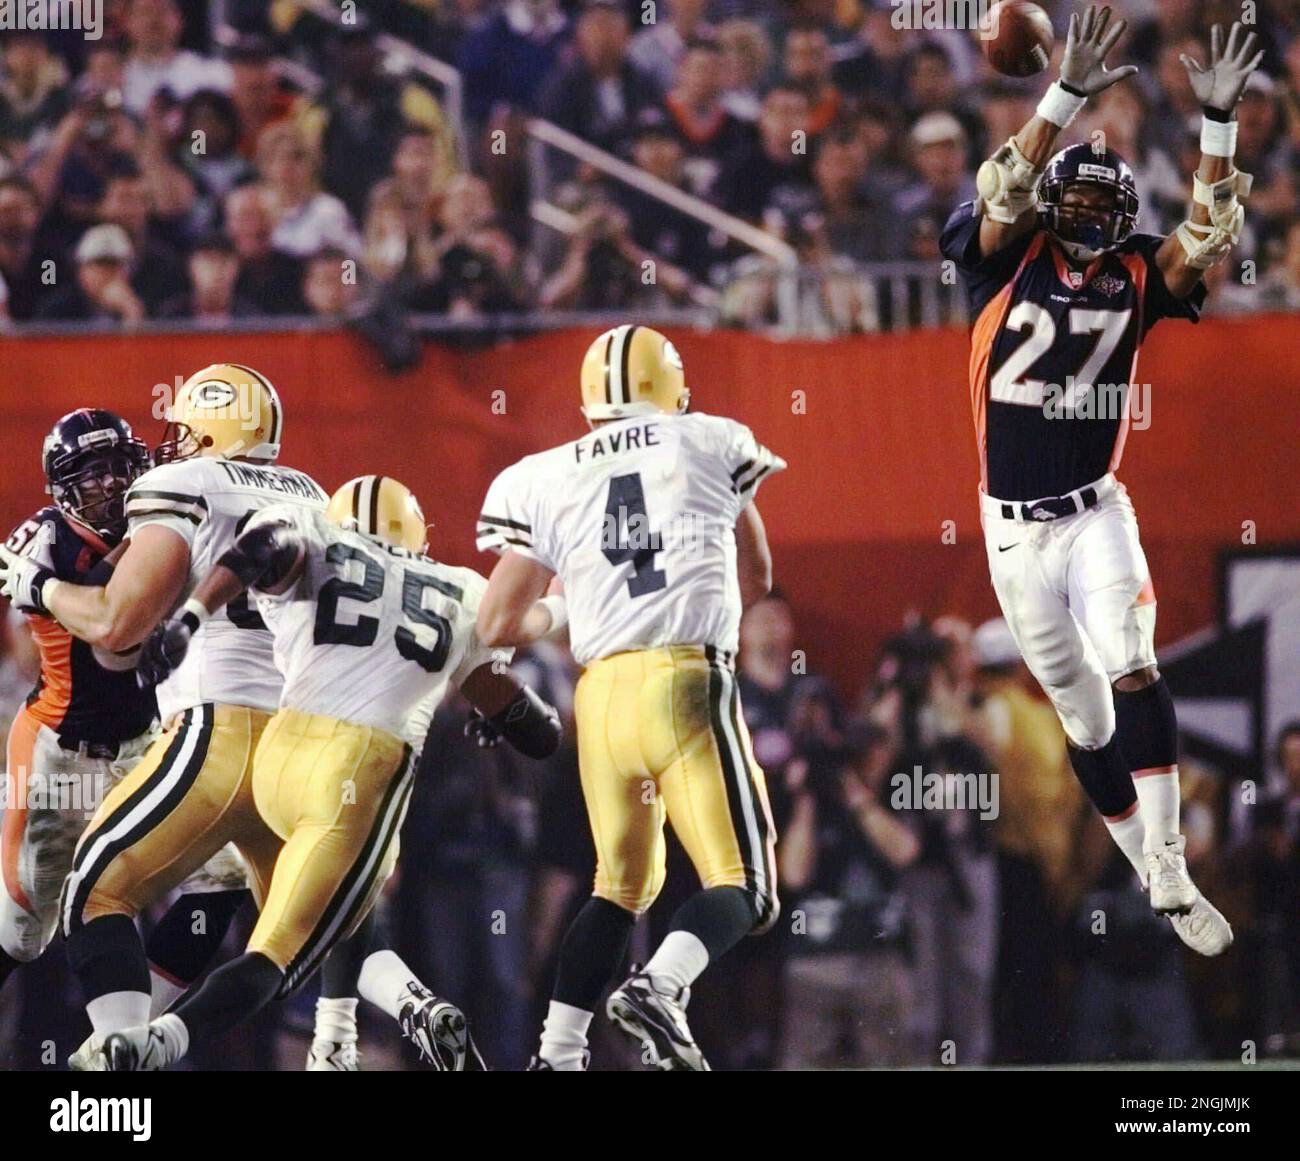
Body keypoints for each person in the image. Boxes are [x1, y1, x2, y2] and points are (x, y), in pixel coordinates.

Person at [939, 6, 1262, 958]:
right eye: (1068, 204)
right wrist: (1065, 92)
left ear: (1122, 218)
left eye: (1100, 211)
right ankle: (1147, 865)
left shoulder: (1134, 269)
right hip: (1009, 529)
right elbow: (999, 193)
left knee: (1133, 657)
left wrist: (1216, 128)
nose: (1083, 222)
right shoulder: (1004, 259)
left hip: (1093, 512)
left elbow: (1205, 234)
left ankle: (1168, 858)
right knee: (1083, 719)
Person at [94, 475, 561, 1070]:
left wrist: (190, 615)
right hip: (360, 769)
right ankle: (160, 1042)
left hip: (278, 754)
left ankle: (337, 1039)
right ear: (418, 535)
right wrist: (513, 705)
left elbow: (256, 551)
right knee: (280, 953)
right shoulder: (462, 589)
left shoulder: (315, 535)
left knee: (333, 909)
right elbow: (540, 735)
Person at [474, 325, 785, 1070]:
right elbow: (759, 577)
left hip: (601, 700)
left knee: (618, 889)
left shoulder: (545, 474)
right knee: (747, 885)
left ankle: (557, 1052)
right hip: (683, 680)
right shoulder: (708, 439)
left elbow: (499, 623)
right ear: (673, 392)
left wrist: (578, 604)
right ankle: (661, 987)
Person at [0, 410, 245, 1007]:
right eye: (93, 473)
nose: (111, 485)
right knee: (23, 931)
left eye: (119, 469)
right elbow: (106, 629)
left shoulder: (160, 524)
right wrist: (44, 589)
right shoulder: (46, 541)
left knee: (222, 880)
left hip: (142, 745)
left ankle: (130, 1034)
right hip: (61, 749)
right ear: (63, 487)